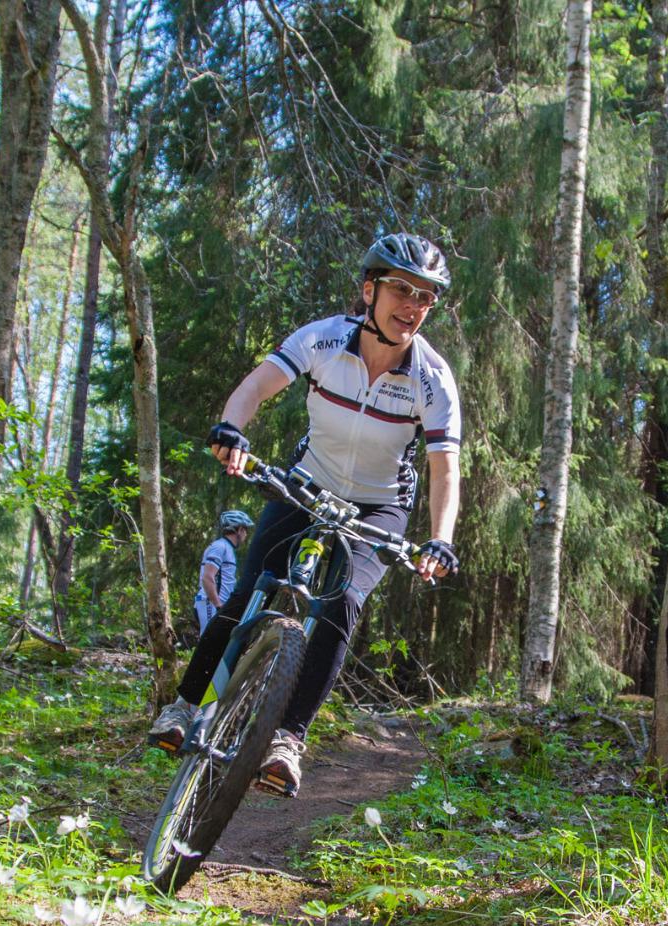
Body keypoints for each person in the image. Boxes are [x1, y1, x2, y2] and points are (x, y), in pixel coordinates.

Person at [147, 233, 463, 797]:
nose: (413, 306)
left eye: (426, 297)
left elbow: (445, 469)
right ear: (370, 290)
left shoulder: (432, 379)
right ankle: (184, 705)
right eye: (401, 290)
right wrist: (233, 430)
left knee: (341, 602)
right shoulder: (323, 339)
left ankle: (288, 739)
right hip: (307, 482)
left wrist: (439, 539)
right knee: (247, 591)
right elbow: (255, 388)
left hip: (380, 504)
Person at [196, 511, 253, 632]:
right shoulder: (220, 547)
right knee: (208, 640)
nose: (246, 534)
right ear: (240, 529)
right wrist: (217, 604)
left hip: (219, 604)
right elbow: (207, 578)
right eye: (246, 530)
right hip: (210, 602)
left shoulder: (228, 549)